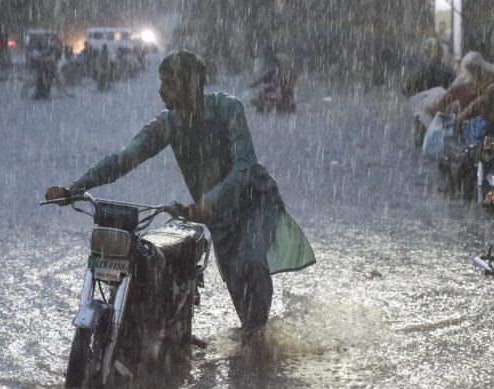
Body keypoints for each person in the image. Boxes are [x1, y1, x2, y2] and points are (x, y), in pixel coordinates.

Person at [45, 50, 316, 338]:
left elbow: (245, 166)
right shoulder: (168, 124)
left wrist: (209, 200)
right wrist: (76, 187)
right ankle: (252, 353)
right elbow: (125, 158)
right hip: (218, 218)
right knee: (240, 294)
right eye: (161, 82)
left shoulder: (228, 109)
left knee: (250, 260)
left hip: (255, 202)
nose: (162, 90)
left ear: (192, 83)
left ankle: (262, 353)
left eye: (170, 83)